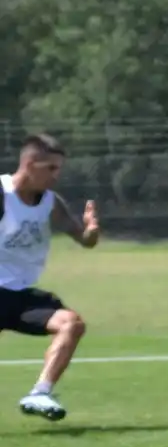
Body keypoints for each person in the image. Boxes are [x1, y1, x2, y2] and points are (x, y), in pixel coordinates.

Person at [0, 133, 100, 421]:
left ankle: (40, 392)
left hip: (20, 297)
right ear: (30, 163)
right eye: (51, 168)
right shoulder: (2, 193)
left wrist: (91, 232)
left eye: (59, 169)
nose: (56, 176)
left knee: (71, 324)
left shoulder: (50, 203)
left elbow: (84, 240)